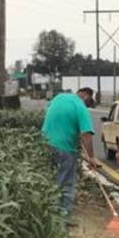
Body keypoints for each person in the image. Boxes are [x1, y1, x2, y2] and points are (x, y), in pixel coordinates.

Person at [41, 86, 96, 217]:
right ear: (86, 96)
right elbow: (86, 134)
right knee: (66, 181)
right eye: (88, 104)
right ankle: (63, 212)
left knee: (51, 178)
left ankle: (47, 209)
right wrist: (91, 157)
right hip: (65, 148)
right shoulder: (80, 107)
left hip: (45, 144)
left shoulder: (58, 98)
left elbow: (52, 114)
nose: (86, 106)